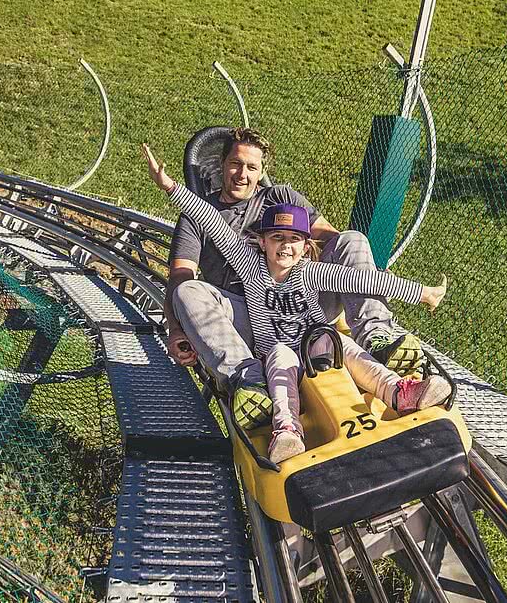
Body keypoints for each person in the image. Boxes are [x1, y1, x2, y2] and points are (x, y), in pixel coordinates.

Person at [145, 144, 451, 463]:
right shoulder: (250, 266)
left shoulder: (309, 269)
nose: (285, 247)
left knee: (347, 351)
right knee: (280, 366)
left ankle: (400, 388)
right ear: (262, 242)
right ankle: (285, 427)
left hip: (316, 338)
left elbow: (361, 280)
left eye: (293, 240)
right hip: (272, 343)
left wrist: (422, 293)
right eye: (277, 239)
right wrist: (169, 187)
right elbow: (213, 224)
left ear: (306, 247)